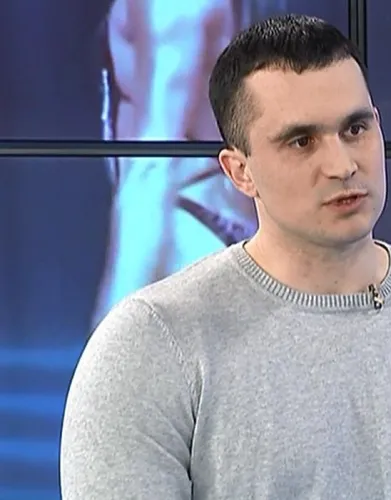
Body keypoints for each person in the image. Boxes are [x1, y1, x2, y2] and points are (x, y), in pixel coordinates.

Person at [60, 14, 391, 499]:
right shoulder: (151, 346)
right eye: (301, 141)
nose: (342, 165)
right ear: (239, 171)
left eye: (355, 129)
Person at [92, 0, 287, 328]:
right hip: (200, 225)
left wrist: (110, 320)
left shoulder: (176, 6)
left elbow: (156, 156)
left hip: (180, 229)